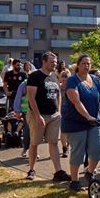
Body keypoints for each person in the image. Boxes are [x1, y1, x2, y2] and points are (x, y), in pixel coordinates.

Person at [61, 54, 100, 191]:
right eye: (84, 63)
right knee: (78, 152)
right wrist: (87, 116)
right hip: (75, 122)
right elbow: (76, 101)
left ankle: (89, 172)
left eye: (89, 64)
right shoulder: (72, 80)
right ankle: (74, 181)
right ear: (78, 65)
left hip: (94, 121)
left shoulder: (96, 80)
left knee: (97, 149)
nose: (87, 66)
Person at [25, 51, 71, 183]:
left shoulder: (54, 76)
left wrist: (59, 111)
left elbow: (59, 94)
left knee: (53, 142)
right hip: (38, 115)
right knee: (34, 143)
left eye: (55, 62)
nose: (54, 64)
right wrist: (38, 116)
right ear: (44, 62)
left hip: (54, 115)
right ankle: (32, 169)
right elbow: (31, 98)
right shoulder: (34, 76)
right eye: (52, 62)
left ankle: (58, 172)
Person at [56, 60, 71, 158]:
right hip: (62, 112)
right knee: (63, 131)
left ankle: (68, 143)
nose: (64, 82)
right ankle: (64, 148)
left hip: (72, 112)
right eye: (63, 80)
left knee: (70, 132)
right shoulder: (58, 88)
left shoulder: (72, 88)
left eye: (66, 80)